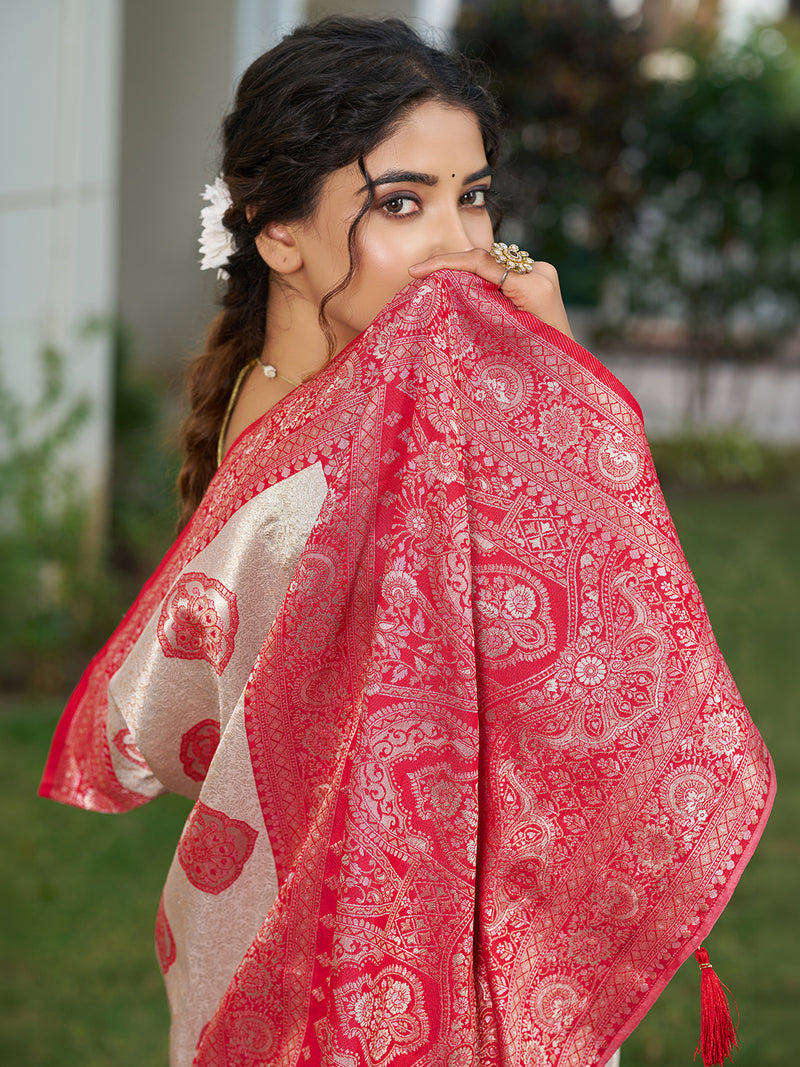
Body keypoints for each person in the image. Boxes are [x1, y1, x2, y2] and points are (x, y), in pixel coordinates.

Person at [40, 16, 774, 1067]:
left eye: (472, 196)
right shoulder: (338, 475)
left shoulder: (311, 397)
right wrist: (556, 389)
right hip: (382, 968)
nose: (460, 246)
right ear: (277, 235)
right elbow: (583, 673)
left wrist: (537, 380)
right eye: (400, 203)